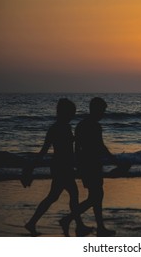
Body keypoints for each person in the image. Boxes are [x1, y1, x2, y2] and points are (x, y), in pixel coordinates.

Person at [60, 97, 127, 237]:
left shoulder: (81, 125)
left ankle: (99, 227)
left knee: (96, 196)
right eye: (102, 110)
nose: (103, 113)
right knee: (95, 197)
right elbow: (101, 147)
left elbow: (76, 147)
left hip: (86, 164)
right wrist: (115, 162)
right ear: (96, 110)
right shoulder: (94, 126)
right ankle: (68, 219)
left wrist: (77, 164)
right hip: (92, 165)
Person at [24, 98, 92, 237]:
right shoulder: (58, 128)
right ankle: (77, 225)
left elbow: (57, 148)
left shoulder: (61, 127)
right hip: (61, 167)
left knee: (55, 196)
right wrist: (31, 168)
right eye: (71, 113)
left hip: (61, 166)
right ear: (64, 113)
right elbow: (45, 150)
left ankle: (33, 222)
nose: (73, 116)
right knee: (70, 195)